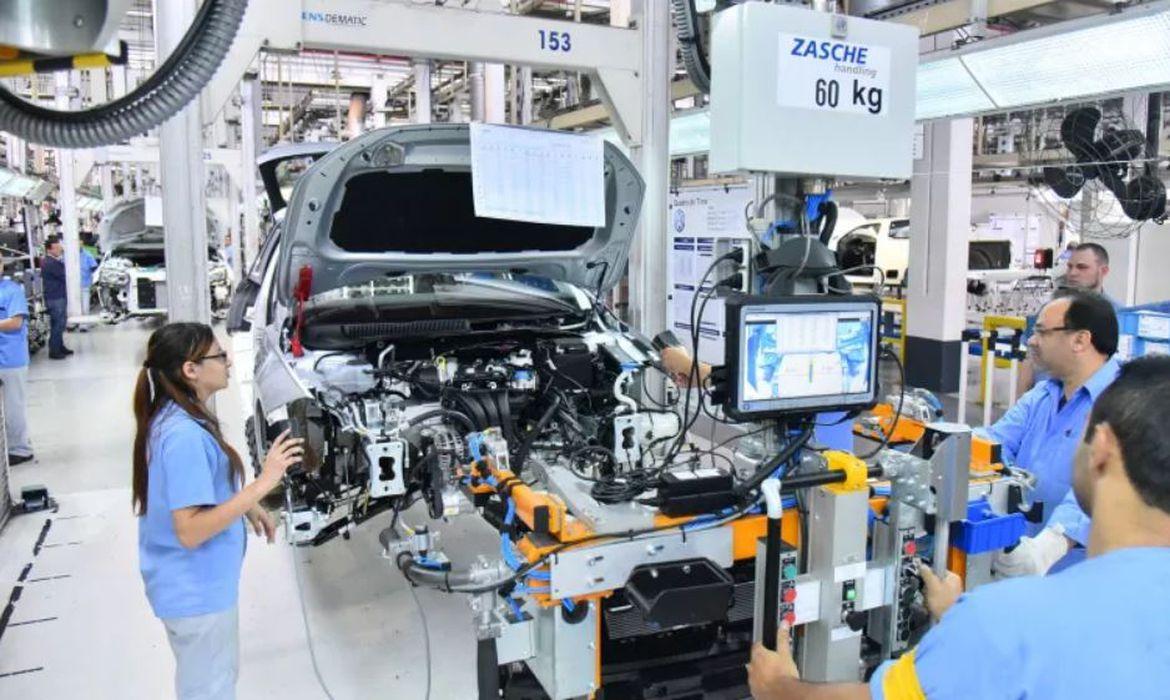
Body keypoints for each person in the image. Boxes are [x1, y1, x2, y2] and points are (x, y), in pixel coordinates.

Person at [748, 355, 1170, 700]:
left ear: (1101, 448)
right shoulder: (1001, 629)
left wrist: (778, 688)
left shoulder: (1002, 623)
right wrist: (957, 622)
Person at [133, 322, 304, 700]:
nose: (228, 361)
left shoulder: (177, 418)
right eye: (219, 355)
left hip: (192, 586)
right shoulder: (184, 436)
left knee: (212, 681)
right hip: (195, 593)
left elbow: (195, 490)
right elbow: (190, 530)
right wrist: (265, 481)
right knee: (210, 689)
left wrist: (246, 504)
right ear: (190, 369)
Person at [987, 291, 1120, 577]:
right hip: (1022, 553)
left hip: (1081, 572)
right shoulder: (1044, 393)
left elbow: (1108, 484)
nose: (1031, 341)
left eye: (1042, 332)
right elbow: (996, 441)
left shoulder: (1123, 402)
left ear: (1080, 340)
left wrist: (1053, 543)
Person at [1018, 243, 1121, 394]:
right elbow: (1028, 362)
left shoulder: (1117, 316)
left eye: (1082, 267)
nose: (1072, 273)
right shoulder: (1048, 311)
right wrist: (1021, 402)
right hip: (1045, 398)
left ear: (1103, 271)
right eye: (1070, 267)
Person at [0, 264, 33, 465]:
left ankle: (20, 450)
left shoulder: (12, 291)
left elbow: (15, 322)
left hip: (10, 359)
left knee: (13, 407)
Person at [41, 236, 71, 359]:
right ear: (49, 249)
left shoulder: (53, 261)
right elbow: (64, 276)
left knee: (59, 323)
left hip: (57, 296)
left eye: (60, 247)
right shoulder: (50, 263)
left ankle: (59, 346)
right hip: (55, 297)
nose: (59, 250)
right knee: (58, 324)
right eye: (56, 248)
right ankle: (54, 351)